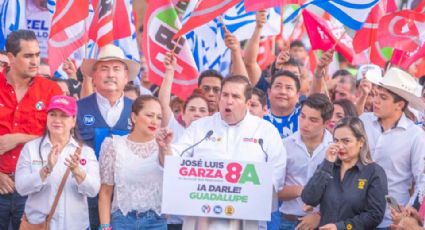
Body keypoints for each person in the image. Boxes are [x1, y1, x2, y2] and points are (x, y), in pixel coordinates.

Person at [156, 75, 287, 229]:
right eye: (225, 95)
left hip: (247, 221)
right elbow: (173, 162)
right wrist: (164, 148)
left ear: (247, 102)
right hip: (201, 220)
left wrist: (242, 196)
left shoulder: (266, 131)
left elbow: (276, 175)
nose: (228, 101)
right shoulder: (200, 127)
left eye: (235, 96)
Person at [0, 30, 62, 229]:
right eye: (28, 56)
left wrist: (19, 138)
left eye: (37, 54)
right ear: (10, 58)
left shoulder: (52, 90)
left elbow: (61, 137)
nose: (35, 61)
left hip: (35, 188)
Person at [76, 44, 140, 229]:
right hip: (84, 199)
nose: (111, 75)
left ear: (126, 77)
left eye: (116, 69)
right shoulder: (78, 109)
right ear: (93, 76)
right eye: (104, 69)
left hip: (126, 202)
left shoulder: (139, 110)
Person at [15, 95, 100, 229]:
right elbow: (21, 188)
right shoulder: (31, 148)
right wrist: (46, 170)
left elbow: (93, 190)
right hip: (39, 226)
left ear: (73, 120)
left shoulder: (86, 152)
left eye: (64, 115)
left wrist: (78, 172)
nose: (57, 120)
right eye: (53, 114)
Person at [360, 67, 425, 229]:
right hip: (355, 216)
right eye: (375, 95)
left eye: (383, 97)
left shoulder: (415, 136)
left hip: (390, 220)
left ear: (400, 104)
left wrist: (409, 211)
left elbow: (421, 180)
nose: (375, 101)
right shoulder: (362, 122)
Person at [301, 117, 388, 229]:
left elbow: (375, 215)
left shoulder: (374, 172)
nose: (340, 146)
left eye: (346, 141)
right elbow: (309, 199)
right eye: (336, 141)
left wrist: (342, 227)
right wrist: (327, 163)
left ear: (361, 142)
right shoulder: (328, 167)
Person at [98, 96, 166, 230]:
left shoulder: (165, 146)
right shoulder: (113, 145)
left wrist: (165, 148)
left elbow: (172, 174)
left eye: (159, 117)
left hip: (156, 222)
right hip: (122, 220)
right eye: (149, 115)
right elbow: (105, 192)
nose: (154, 121)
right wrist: (105, 226)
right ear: (134, 117)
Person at [278, 93, 334, 230]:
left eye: (313, 120)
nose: (305, 124)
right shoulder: (284, 146)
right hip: (288, 221)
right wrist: (304, 191)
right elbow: (275, 190)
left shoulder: (335, 148)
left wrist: (320, 215)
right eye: (302, 116)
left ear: (326, 123)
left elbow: (341, 191)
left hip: (324, 223)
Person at [265, 70, 302, 139]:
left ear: (298, 96)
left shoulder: (304, 118)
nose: (282, 92)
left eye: (289, 88)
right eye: (278, 86)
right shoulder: (259, 118)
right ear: (269, 93)